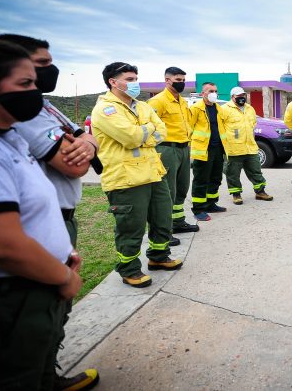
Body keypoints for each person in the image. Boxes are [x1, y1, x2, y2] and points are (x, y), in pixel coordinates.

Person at [0, 38, 83, 389]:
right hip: (2, 299)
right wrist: (62, 276)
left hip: (30, 290)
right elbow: (3, 245)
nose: (35, 91)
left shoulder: (6, 137)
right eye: (25, 84)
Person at [0, 34, 100, 390]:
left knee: (51, 312)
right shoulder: (23, 113)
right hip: (40, 221)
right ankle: (38, 378)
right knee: (38, 313)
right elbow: (73, 165)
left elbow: (82, 140)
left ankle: (46, 376)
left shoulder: (44, 105)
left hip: (59, 217)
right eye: (39, 66)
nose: (49, 70)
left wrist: (87, 141)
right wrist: (83, 145)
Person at [91, 62, 183, 288]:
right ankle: (129, 269)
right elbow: (131, 137)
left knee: (162, 218)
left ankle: (158, 257)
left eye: (135, 78)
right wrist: (147, 129)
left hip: (153, 172)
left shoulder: (141, 106)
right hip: (126, 178)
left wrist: (145, 132)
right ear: (113, 82)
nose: (135, 83)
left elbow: (162, 131)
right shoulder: (105, 109)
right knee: (131, 226)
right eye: (130, 79)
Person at [148, 67, 199, 240]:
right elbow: (151, 127)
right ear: (167, 80)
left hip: (184, 148)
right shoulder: (158, 101)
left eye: (183, 79)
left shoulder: (182, 101)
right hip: (167, 149)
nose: (182, 83)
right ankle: (165, 230)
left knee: (182, 188)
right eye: (178, 79)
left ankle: (178, 222)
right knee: (167, 191)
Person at [221, 87, 273, 204]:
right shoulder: (224, 109)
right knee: (233, 174)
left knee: (256, 171)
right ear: (232, 97)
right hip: (234, 148)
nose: (242, 98)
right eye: (239, 96)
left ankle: (260, 192)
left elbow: (253, 124)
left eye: (243, 95)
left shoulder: (250, 109)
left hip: (250, 147)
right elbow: (220, 128)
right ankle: (236, 194)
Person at [189, 82, 227, 220]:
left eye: (216, 91)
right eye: (210, 90)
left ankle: (211, 204)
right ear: (202, 93)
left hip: (218, 149)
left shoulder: (219, 109)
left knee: (216, 178)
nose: (214, 93)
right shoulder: (195, 109)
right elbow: (189, 128)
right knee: (201, 179)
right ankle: (198, 209)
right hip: (203, 150)